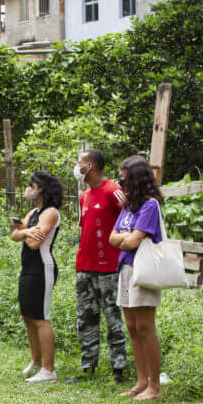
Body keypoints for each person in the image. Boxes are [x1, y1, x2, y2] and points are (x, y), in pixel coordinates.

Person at [68, 149, 127, 384]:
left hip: (110, 268)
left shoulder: (114, 191)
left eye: (79, 162)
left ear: (90, 166)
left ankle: (118, 370)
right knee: (85, 319)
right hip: (84, 266)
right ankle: (87, 367)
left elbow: (131, 218)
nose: (76, 167)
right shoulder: (84, 196)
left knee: (113, 319)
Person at [108, 155, 164, 401]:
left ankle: (155, 386)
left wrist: (126, 237)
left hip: (144, 269)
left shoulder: (150, 205)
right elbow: (113, 238)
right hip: (126, 268)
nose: (122, 183)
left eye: (125, 178)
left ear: (137, 179)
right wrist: (126, 237)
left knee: (145, 327)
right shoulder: (129, 207)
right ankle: (141, 382)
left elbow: (130, 240)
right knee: (132, 327)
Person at [11, 171, 62, 383]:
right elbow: (15, 236)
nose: (27, 189)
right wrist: (25, 231)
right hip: (28, 268)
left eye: (30, 185)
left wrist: (23, 232)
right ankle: (36, 362)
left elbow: (33, 243)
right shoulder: (33, 212)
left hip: (43, 268)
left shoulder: (50, 213)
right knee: (28, 317)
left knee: (41, 317)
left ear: (40, 188)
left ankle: (49, 370)